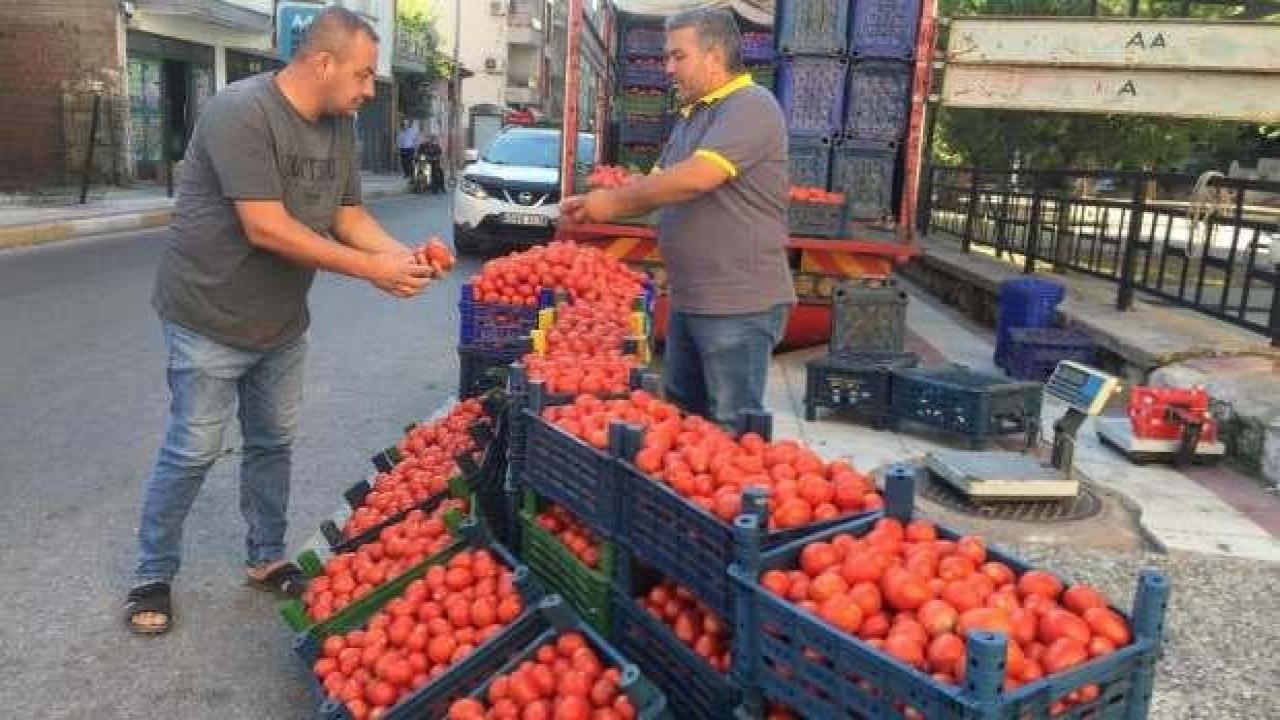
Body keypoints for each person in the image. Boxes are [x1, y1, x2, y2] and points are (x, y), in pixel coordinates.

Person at [125, 7, 440, 635]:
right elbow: (265, 226)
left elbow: (348, 216)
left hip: (280, 325)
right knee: (193, 449)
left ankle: (265, 559)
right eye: (364, 74)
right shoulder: (240, 111)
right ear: (321, 63)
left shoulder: (339, 125)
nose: (370, 90)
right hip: (208, 315)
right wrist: (369, 271)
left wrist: (405, 257)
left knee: (272, 444)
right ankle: (152, 572)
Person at [561, 8, 794, 428]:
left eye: (677, 56)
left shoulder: (750, 106)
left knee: (732, 429)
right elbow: (657, 184)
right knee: (686, 421)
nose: (668, 68)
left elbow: (696, 178)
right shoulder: (693, 115)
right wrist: (597, 200)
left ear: (714, 55)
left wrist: (611, 203)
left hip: (737, 305)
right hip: (692, 299)